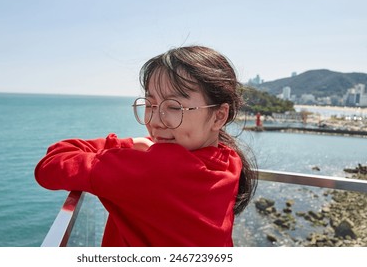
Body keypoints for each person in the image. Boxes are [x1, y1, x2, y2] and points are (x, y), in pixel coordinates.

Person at [35, 45, 258, 247]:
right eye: (150, 104)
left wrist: (125, 144)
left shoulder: (151, 171)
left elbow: (50, 166)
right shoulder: (228, 159)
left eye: (174, 106)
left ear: (219, 116)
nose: (155, 120)